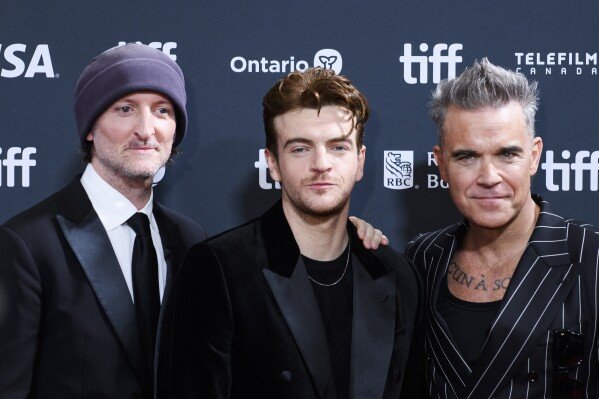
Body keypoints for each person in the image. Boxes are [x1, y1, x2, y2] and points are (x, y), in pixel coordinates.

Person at [159, 67, 422, 399]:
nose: (321, 163)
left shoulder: (395, 275)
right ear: (272, 163)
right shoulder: (219, 269)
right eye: (300, 148)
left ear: (360, 161)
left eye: (338, 147)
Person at [0, 43, 206, 399]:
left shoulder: (189, 238)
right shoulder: (28, 244)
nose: (146, 130)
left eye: (162, 110)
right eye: (125, 109)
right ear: (90, 128)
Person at [405, 58, 599, 398]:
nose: (489, 177)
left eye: (507, 154)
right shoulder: (422, 258)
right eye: (467, 157)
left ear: (534, 156)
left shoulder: (591, 256)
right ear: (442, 164)